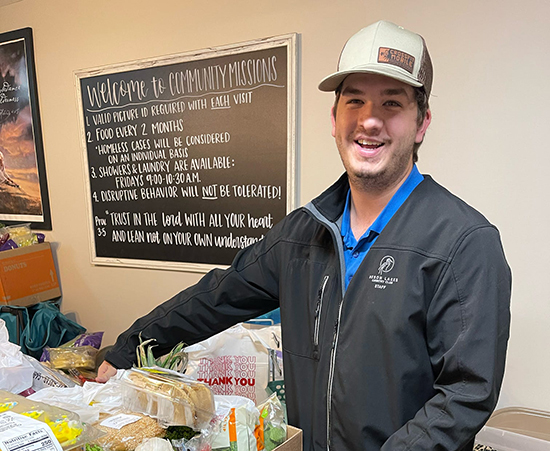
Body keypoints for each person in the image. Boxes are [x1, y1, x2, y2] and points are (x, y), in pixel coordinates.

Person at [97, 21, 511, 451]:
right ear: (334, 118)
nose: (369, 120)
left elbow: (465, 394)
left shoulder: (463, 242)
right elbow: (217, 296)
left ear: (422, 123)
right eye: (355, 101)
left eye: (392, 103)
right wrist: (129, 347)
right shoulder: (303, 232)